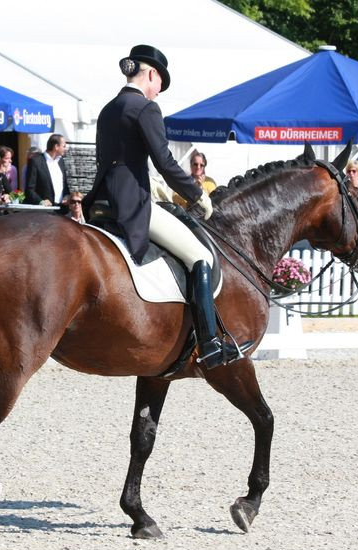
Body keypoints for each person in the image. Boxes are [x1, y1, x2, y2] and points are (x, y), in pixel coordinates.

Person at [84, 44, 245, 369]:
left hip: (100, 203)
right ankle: (210, 343)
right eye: (159, 85)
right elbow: (166, 161)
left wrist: (155, 186)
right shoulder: (145, 109)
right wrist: (197, 195)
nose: (158, 93)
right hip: (130, 205)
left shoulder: (109, 108)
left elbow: (121, 163)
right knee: (199, 255)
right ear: (152, 75)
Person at [25, 134, 69, 206]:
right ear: (56, 146)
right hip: (43, 210)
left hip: (61, 208)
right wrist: (40, 201)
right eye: (64, 146)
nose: (65, 148)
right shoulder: (36, 161)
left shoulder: (61, 161)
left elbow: (64, 184)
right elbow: (29, 188)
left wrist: (67, 195)